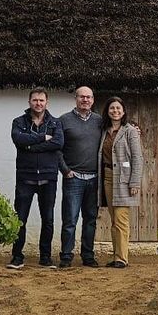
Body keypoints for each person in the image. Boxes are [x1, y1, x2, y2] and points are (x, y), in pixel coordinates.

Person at [7, 88, 63, 270]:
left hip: (48, 177)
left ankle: (45, 257)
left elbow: (58, 143)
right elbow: (18, 139)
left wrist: (31, 147)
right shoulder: (19, 121)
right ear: (29, 102)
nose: (38, 103)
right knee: (19, 219)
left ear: (47, 102)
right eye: (35, 100)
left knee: (47, 219)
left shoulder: (55, 123)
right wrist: (42, 138)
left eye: (41, 100)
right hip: (25, 178)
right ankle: (17, 257)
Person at [56, 85, 102, 268]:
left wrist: (135, 130)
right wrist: (65, 170)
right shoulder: (63, 121)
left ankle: (88, 256)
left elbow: (117, 130)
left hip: (94, 178)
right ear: (75, 98)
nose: (85, 100)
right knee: (70, 220)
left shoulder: (100, 121)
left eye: (88, 97)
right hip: (73, 179)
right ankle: (66, 256)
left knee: (90, 220)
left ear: (93, 100)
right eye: (82, 97)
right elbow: (57, 149)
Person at [99, 96, 143, 268]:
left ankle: (122, 258)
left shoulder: (130, 131)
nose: (115, 111)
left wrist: (135, 182)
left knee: (121, 218)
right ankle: (117, 255)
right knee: (113, 219)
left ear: (123, 111)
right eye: (112, 108)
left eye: (118, 108)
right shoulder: (104, 130)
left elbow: (137, 158)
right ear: (107, 111)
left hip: (124, 180)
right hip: (108, 177)